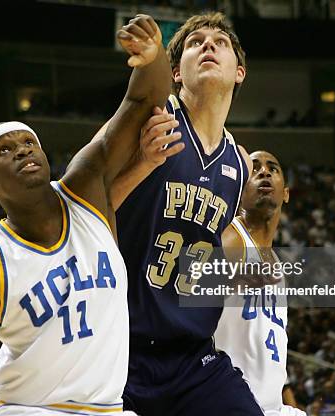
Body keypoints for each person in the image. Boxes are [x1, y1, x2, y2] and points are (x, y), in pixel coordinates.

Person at [0, 14, 171, 415]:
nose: (24, 150)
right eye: (5, 150)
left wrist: (153, 57)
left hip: (109, 409)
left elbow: (140, 103)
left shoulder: (87, 189)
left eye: (29, 142)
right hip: (28, 409)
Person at [105, 12, 263, 416]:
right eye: (195, 42)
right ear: (176, 72)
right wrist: (141, 164)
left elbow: (211, 253)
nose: (208, 45)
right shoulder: (153, 120)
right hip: (121, 349)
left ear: (239, 72)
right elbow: (82, 202)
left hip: (193, 358)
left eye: (220, 42)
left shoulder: (239, 164)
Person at [213, 151, 305, 416]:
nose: (264, 172)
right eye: (254, 169)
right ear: (239, 192)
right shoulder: (231, 240)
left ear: (285, 193)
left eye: (272, 168)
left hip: (271, 405)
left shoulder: (277, 265)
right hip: (230, 401)